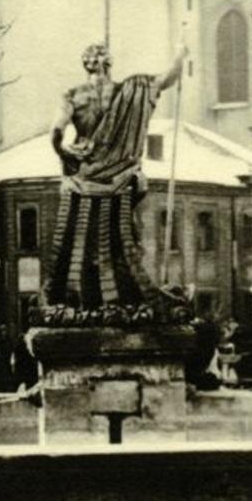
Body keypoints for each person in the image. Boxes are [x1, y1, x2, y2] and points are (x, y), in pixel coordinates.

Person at [44, 42, 187, 310]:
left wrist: (66, 156)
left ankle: (73, 299)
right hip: (121, 175)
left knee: (77, 239)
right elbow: (167, 78)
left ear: (85, 64)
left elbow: (55, 133)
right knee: (122, 236)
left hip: (82, 176)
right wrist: (181, 53)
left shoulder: (73, 95)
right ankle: (125, 297)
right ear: (108, 63)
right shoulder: (130, 90)